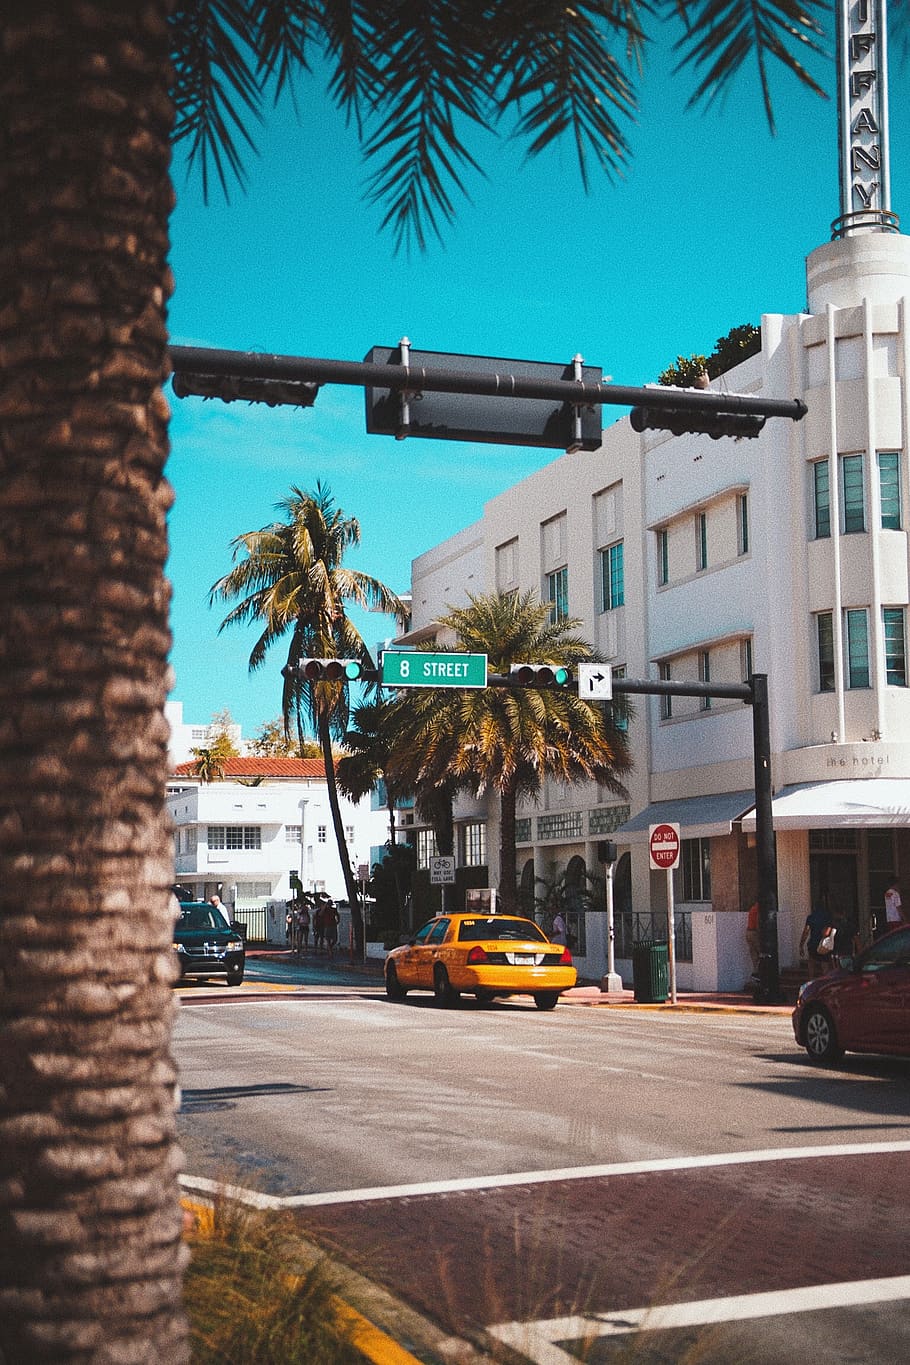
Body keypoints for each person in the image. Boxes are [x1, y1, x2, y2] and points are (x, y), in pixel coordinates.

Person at [799, 904, 835, 978]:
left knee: (811, 963)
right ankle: (825, 982)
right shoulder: (827, 917)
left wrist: (801, 945)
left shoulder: (811, 917)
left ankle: (811, 980)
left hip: (813, 943)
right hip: (824, 944)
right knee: (825, 964)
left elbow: (806, 931)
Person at [745, 901, 760, 975]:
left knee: (753, 953)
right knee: (761, 952)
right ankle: (760, 971)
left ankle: (755, 971)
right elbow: (757, 922)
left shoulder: (752, 909)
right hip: (754, 932)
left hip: (748, 932)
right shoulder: (758, 910)